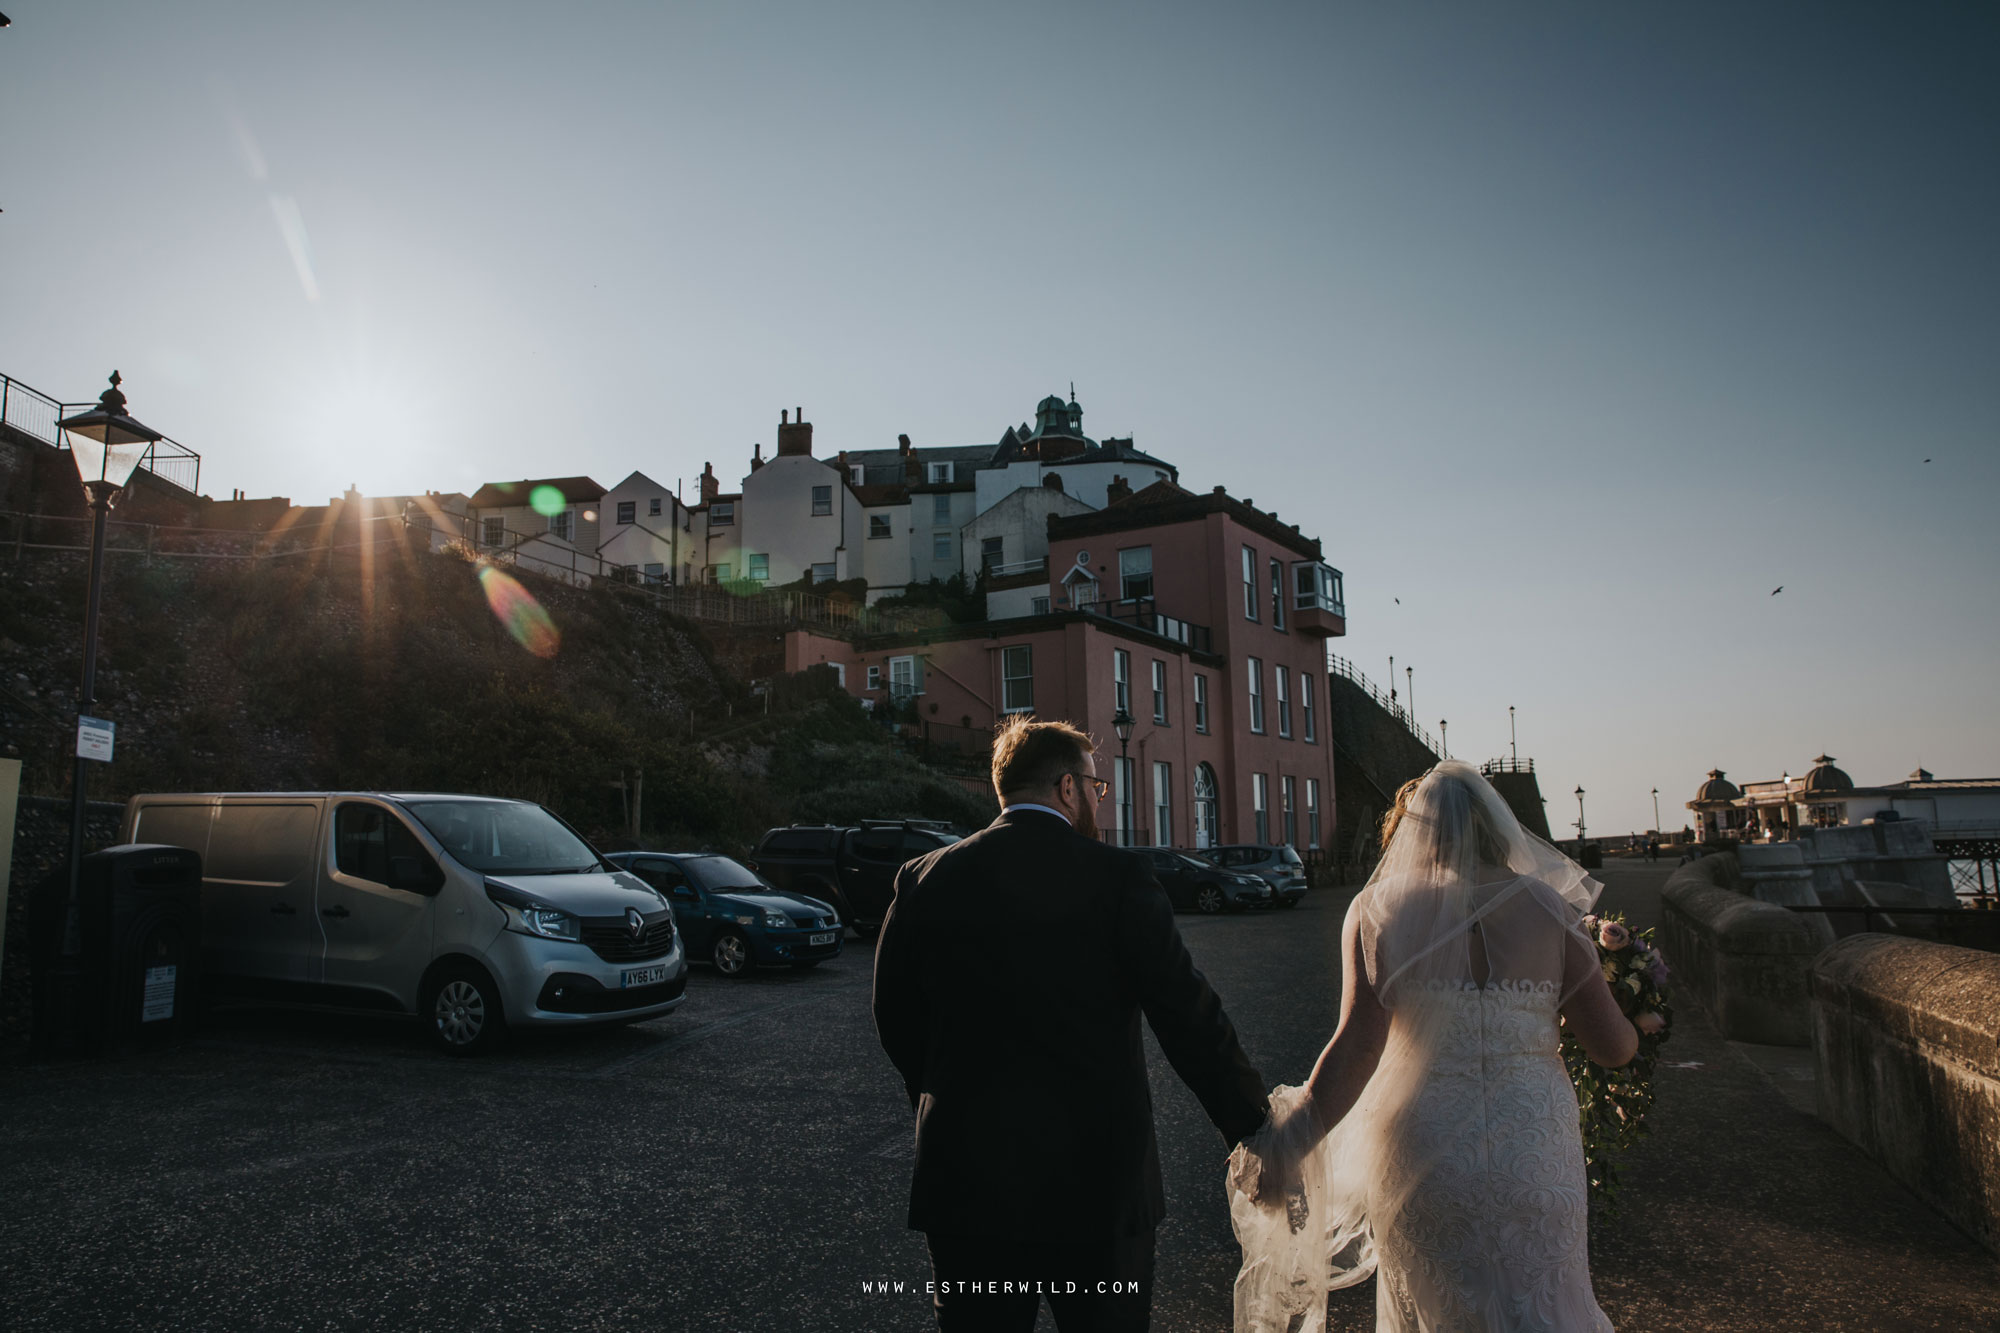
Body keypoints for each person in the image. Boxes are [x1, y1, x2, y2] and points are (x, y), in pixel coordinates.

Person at [874, 715, 1271, 1332]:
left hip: (966, 1183)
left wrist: (943, 1099)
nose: (1097, 799)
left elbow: (894, 1016)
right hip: (1098, 1189)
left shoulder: (925, 878)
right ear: (1067, 788)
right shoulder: (1119, 879)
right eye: (1096, 786)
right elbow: (1188, 1017)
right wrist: (1252, 1126)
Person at [1228, 760, 1643, 1333]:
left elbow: (1355, 1049)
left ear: (1411, 833)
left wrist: (1290, 1142)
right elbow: (1613, 1048)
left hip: (1425, 1153)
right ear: (1498, 828)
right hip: (1533, 1146)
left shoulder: (1376, 913)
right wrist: (1643, 1018)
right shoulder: (1549, 908)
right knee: (1546, 1299)